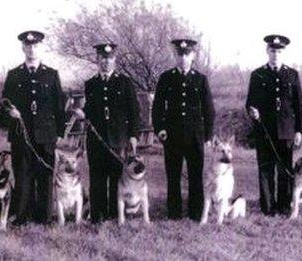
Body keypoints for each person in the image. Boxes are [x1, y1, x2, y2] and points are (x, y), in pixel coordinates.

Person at [2, 30, 66, 225]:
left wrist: (60, 133)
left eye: (35, 45)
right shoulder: (14, 74)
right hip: (21, 135)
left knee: (45, 176)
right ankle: (22, 217)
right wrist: (9, 112)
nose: (31, 49)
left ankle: (44, 217)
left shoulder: (51, 74)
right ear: (23, 48)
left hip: (46, 135)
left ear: (40, 47)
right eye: (28, 45)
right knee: (22, 175)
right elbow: (4, 102)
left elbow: (59, 105)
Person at [152, 39, 215, 221]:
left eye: (187, 54)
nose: (183, 58)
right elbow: (157, 107)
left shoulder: (200, 79)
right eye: (180, 54)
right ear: (175, 55)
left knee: (195, 176)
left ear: (193, 56)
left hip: (196, 136)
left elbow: (208, 109)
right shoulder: (166, 78)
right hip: (172, 136)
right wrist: (160, 128)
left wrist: (209, 136)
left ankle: (196, 213)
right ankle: (174, 213)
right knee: (173, 176)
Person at [245, 34, 302, 216]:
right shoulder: (258, 75)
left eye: (279, 50)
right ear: (267, 51)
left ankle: (284, 207)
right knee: (265, 171)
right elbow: (250, 102)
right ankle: (268, 208)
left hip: (286, 131)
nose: (275, 54)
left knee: (285, 171)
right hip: (264, 131)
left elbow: (298, 105)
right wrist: (252, 111)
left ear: (283, 52)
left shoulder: (292, 74)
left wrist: (299, 131)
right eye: (272, 50)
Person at [84, 42, 140, 224]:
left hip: (119, 139)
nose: (106, 62)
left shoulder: (125, 82)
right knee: (97, 178)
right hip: (96, 140)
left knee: (117, 178)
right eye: (102, 58)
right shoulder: (91, 84)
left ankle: (116, 214)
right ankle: (98, 216)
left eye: (110, 58)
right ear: (97, 59)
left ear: (114, 60)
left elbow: (134, 111)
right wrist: (81, 114)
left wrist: (133, 136)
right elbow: (89, 112)